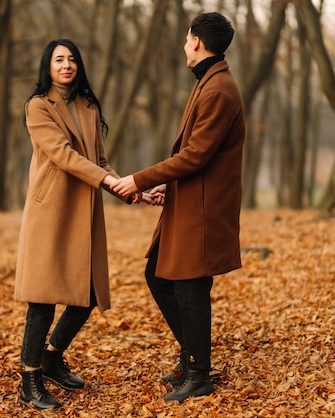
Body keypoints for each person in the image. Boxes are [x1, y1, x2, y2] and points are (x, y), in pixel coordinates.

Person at [112, 12, 245, 403]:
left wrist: (140, 179)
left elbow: (195, 156)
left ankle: (199, 374)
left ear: (197, 43)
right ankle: (192, 358)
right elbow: (195, 158)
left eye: (187, 39)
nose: (185, 46)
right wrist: (167, 189)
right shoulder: (209, 82)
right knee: (158, 274)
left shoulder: (219, 90)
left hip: (203, 210)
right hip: (188, 202)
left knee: (190, 288)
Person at [14, 39, 129, 410]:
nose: (67, 65)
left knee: (89, 293)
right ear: (47, 66)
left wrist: (131, 189)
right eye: (59, 59)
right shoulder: (37, 106)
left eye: (72, 59)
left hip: (86, 207)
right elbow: (63, 155)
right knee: (43, 300)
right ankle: (29, 380)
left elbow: (99, 159)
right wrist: (108, 181)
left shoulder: (88, 105)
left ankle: (51, 357)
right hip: (52, 211)